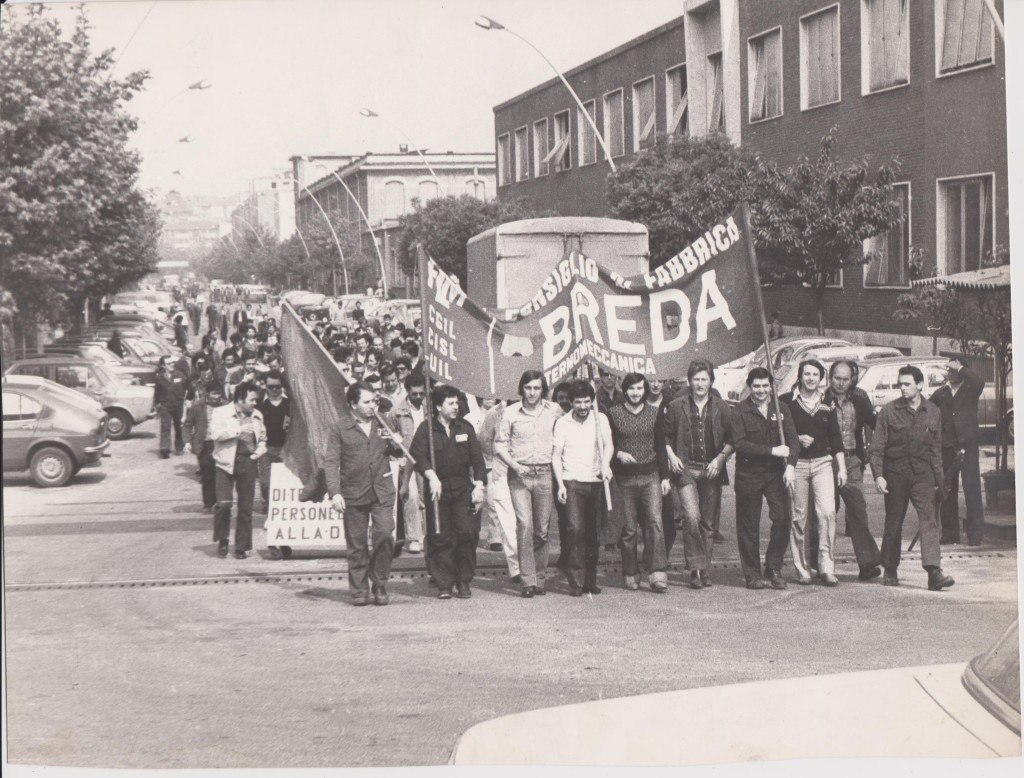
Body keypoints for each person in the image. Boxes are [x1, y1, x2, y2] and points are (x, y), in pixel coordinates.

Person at [869, 365, 955, 591]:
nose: (902, 388)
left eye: (907, 384)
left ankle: (934, 572)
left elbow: (936, 451)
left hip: (922, 475)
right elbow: (877, 448)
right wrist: (878, 476)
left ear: (919, 385)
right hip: (895, 475)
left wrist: (940, 481)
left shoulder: (933, 411)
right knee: (894, 522)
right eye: (900, 384)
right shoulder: (888, 411)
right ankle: (890, 568)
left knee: (929, 521)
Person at [323, 382, 405, 606]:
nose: (372, 406)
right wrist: (335, 493)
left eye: (374, 401)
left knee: (385, 534)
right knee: (357, 544)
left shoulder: (384, 422)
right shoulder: (340, 427)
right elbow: (330, 462)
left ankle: (379, 583)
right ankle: (359, 589)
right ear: (353, 404)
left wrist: (397, 444)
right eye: (367, 402)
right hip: (353, 492)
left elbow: (396, 451)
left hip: (382, 490)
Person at [409, 384, 487, 600]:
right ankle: (444, 582)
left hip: (462, 488)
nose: (456, 407)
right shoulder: (426, 429)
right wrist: (430, 475)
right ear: (437, 406)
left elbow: (478, 461)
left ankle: (463, 580)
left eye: (457, 402)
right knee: (440, 536)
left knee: (466, 534)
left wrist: (479, 485)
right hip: (437, 490)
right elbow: (418, 455)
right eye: (451, 403)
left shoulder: (465, 428)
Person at [661, 359, 735, 589]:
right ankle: (694, 567)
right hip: (686, 470)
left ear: (711, 381)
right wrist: (671, 456)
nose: (700, 384)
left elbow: (733, 439)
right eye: (696, 379)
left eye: (704, 379)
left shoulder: (721, 407)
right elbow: (664, 436)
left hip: (711, 470)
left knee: (709, 524)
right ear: (689, 381)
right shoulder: (677, 405)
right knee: (691, 517)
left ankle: (705, 569)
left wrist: (720, 459)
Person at [494, 370, 562, 598]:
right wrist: (514, 465)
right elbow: (499, 445)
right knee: (525, 525)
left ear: (543, 390)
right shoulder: (510, 413)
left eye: (536, 388)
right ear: (521, 389)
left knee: (542, 530)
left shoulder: (554, 410)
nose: (532, 393)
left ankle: (540, 579)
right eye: (528, 388)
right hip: (519, 475)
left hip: (544, 473)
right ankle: (527, 581)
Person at [732, 366, 799, 590]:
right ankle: (752, 573)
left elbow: (793, 441)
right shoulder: (740, 411)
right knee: (749, 525)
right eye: (756, 386)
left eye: (765, 386)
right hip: (748, 474)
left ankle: (774, 567)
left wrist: (790, 467)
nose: (761, 390)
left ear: (771, 386)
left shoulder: (782, 409)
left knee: (783, 518)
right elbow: (740, 444)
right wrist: (772, 451)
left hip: (775, 474)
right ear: (749, 387)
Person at [780, 359, 845, 586]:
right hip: (795, 465)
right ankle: (803, 568)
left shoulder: (828, 403)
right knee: (799, 517)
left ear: (821, 378)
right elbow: (777, 433)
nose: (810, 378)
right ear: (800, 376)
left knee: (827, 512)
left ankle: (827, 567)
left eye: (815, 375)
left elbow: (836, 438)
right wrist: (796, 439)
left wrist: (842, 468)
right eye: (806, 374)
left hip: (822, 464)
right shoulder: (786, 402)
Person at [606, 373, 670, 593]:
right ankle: (631, 572)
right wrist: (618, 454)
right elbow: (608, 444)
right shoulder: (613, 413)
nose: (636, 393)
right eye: (631, 389)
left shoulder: (654, 413)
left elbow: (661, 445)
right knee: (629, 529)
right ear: (625, 390)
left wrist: (666, 477)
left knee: (655, 523)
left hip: (650, 476)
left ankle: (657, 573)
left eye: (640, 389)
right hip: (625, 480)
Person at [821, 360, 882, 580]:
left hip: (852, 461)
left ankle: (867, 564)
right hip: (826, 463)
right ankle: (818, 563)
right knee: (825, 514)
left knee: (858, 512)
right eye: (837, 378)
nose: (840, 383)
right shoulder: (821, 400)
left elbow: (876, 424)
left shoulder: (859, 399)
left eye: (845, 379)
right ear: (830, 378)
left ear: (851, 380)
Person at [552, 380, 613, 596]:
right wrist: (560, 484)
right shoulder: (562, 423)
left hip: (596, 481)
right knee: (575, 529)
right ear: (571, 402)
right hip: (572, 482)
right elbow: (556, 456)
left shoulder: (600, 419)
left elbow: (609, 445)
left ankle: (590, 580)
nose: (583, 406)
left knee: (593, 534)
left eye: (587, 401)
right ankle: (576, 579)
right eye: (578, 402)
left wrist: (605, 464)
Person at [930, 357, 985, 545]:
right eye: (949, 369)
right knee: (947, 489)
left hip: (967, 445)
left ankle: (975, 533)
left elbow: (979, 380)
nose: (950, 372)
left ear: (962, 370)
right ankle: (950, 532)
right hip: (947, 447)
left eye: (954, 369)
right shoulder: (942, 393)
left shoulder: (971, 389)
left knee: (972, 488)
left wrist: (960, 367)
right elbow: (928, 410)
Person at [210, 382, 267, 559]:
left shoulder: (257, 415)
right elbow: (216, 435)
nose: (254, 403)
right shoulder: (220, 413)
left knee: (246, 507)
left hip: (247, 462)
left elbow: (263, 438)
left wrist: (259, 451)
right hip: (225, 462)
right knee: (224, 504)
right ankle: (223, 539)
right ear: (240, 398)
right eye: (251, 399)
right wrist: (239, 429)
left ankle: (242, 546)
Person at [476, 397, 519, 581]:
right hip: (500, 467)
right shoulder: (495, 413)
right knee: (504, 514)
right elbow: (484, 440)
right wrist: (497, 458)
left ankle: (528, 564)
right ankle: (515, 568)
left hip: (524, 468)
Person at [393, 373, 428, 554]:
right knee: (411, 495)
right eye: (414, 394)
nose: (418, 397)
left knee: (425, 496)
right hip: (408, 459)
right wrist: (395, 443)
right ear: (408, 392)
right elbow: (390, 433)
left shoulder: (429, 409)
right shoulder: (398, 410)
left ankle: (425, 536)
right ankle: (413, 537)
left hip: (426, 458)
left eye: (421, 394)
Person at [184, 383, 226, 510]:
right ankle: (208, 503)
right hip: (205, 444)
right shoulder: (198, 406)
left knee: (221, 474)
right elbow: (188, 424)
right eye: (213, 394)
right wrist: (187, 441)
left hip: (222, 443)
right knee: (207, 475)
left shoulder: (226, 405)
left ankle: (220, 502)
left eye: (218, 394)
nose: (216, 397)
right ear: (207, 393)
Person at [257, 370, 290, 511]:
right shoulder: (259, 405)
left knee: (286, 481)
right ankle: (268, 505)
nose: (274, 390)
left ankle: (281, 509)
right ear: (265, 387)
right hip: (266, 449)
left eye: (277, 386)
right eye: (271, 387)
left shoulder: (290, 404)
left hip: (286, 449)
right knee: (265, 482)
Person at [153, 356, 188, 458]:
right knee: (165, 427)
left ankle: (180, 446)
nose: (172, 365)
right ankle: (165, 448)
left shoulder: (180, 375)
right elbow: (157, 393)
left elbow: (187, 389)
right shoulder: (160, 378)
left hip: (178, 405)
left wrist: (187, 403)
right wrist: (157, 406)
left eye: (173, 363)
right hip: (165, 406)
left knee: (179, 427)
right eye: (169, 363)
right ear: (163, 366)